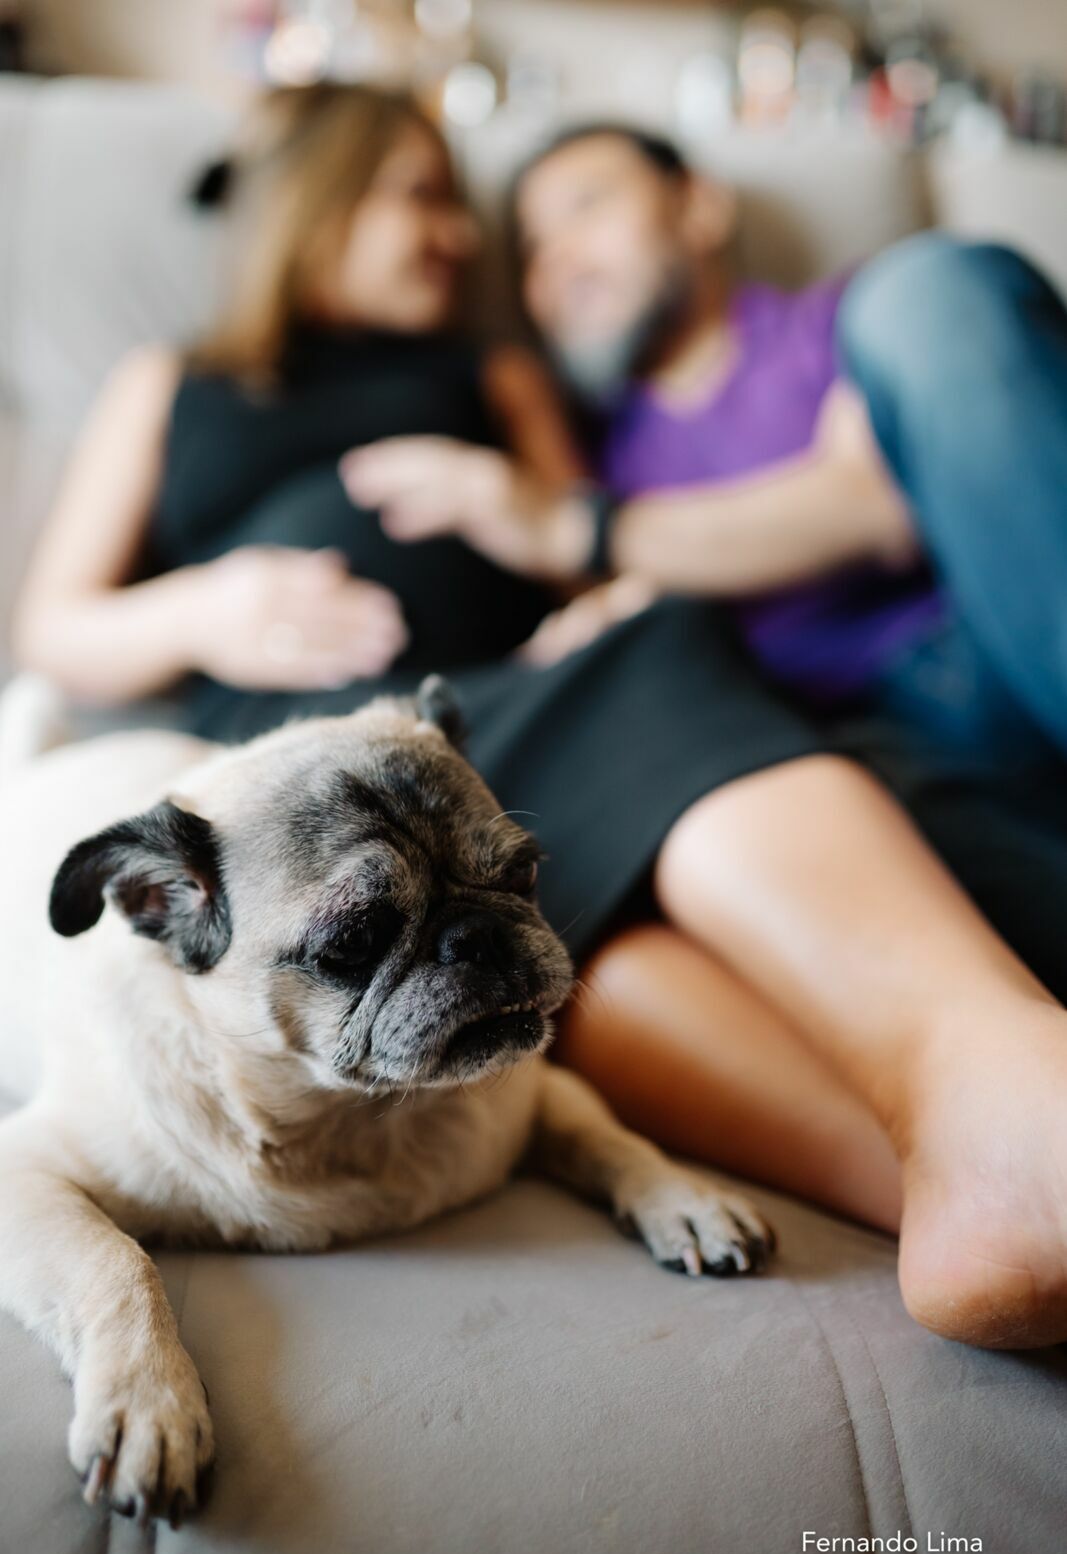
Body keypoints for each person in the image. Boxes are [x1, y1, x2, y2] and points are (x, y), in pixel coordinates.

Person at [12, 93, 1067, 1349]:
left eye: (460, 208)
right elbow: (52, 621)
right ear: (315, 202)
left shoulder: (491, 371)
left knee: (645, 667)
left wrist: (581, 602)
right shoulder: (173, 384)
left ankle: (978, 1124)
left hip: (466, 730)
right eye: (420, 194)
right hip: (280, 777)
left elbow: (580, 552)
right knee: (596, 906)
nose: (458, 236)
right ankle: (968, 1163)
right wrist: (201, 606)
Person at [338, 123, 1067, 1349]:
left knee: (934, 286)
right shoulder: (591, 453)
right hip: (871, 775)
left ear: (700, 208)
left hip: (1000, 651)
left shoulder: (842, 329)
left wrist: (581, 530)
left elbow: (870, 507)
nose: (554, 261)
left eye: (585, 207)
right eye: (531, 248)